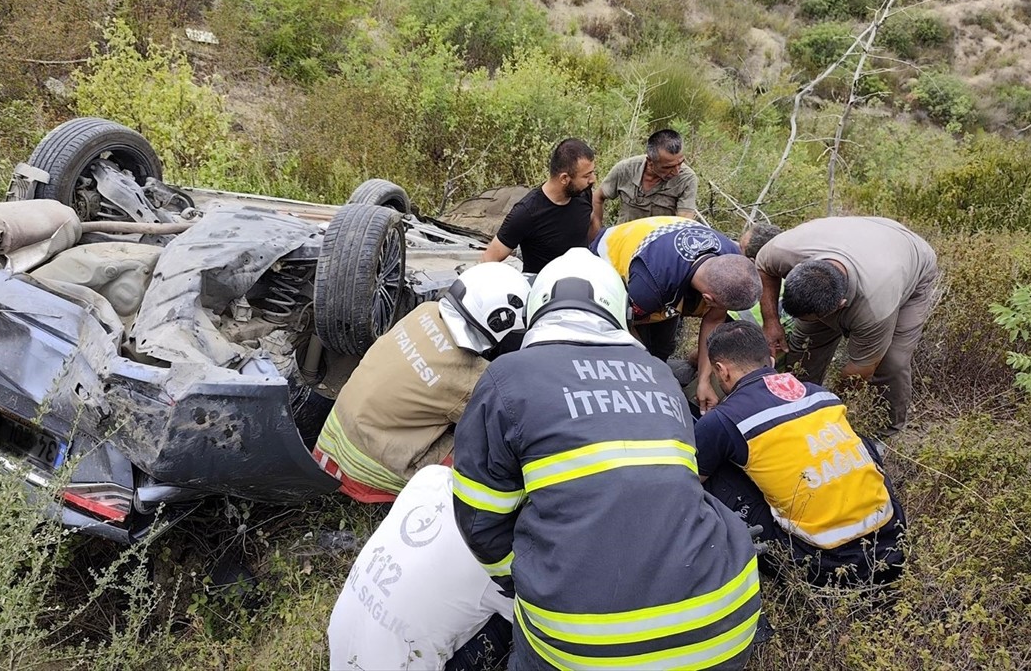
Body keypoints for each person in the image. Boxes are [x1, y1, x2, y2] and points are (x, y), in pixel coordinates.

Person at [453, 248, 761, 671]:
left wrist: (522, 574)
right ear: (619, 311)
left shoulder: (509, 377)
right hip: (724, 627)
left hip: (581, 646)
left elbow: (479, 518)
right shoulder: (660, 374)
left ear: (537, 309)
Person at [696, 321, 906, 587]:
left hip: (825, 566)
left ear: (721, 371)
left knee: (710, 471)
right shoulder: (821, 395)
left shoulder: (724, 420)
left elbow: (687, 484)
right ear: (771, 360)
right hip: (892, 541)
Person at [314, 263, 530, 502]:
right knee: (491, 454)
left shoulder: (425, 311)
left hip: (332, 440)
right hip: (366, 469)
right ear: (500, 321)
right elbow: (511, 424)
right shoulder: (471, 377)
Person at [754, 216, 938, 437]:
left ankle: (884, 431)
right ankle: (796, 406)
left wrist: (829, 407)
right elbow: (764, 268)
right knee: (804, 345)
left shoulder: (876, 306)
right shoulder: (784, 250)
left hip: (911, 259)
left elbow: (861, 370)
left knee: (892, 362)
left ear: (840, 306)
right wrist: (771, 322)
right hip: (863, 232)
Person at [328, 465, 514, 671]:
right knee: (529, 610)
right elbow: (539, 621)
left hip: (342, 660)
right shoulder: (495, 553)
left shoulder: (430, 476)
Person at [592, 216, 761, 412]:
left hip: (662, 252)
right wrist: (648, 373)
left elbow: (714, 319)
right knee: (641, 352)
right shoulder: (650, 286)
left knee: (663, 346)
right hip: (606, 257)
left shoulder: (731, 260)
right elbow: (622, 325)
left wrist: (703, 381)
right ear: (707, 299)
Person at [480, 138, 596, 274]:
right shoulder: (526, 213)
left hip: (584, 286)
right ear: (564, 178)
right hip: (544, 291)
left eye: (593, 172)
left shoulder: (583, 193)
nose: (593, 179)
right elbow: (488, 260)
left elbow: (589, 222)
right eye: (587, 175)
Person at [588, 128, 698, 241]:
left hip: (659, 246)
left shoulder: (687, 179)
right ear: (650, 162)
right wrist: (597, 235)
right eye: (668, 167)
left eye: (680, 163)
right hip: (623, 241)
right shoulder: (625, 169)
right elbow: (597, 197)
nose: (676, 171)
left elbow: (684, 223)